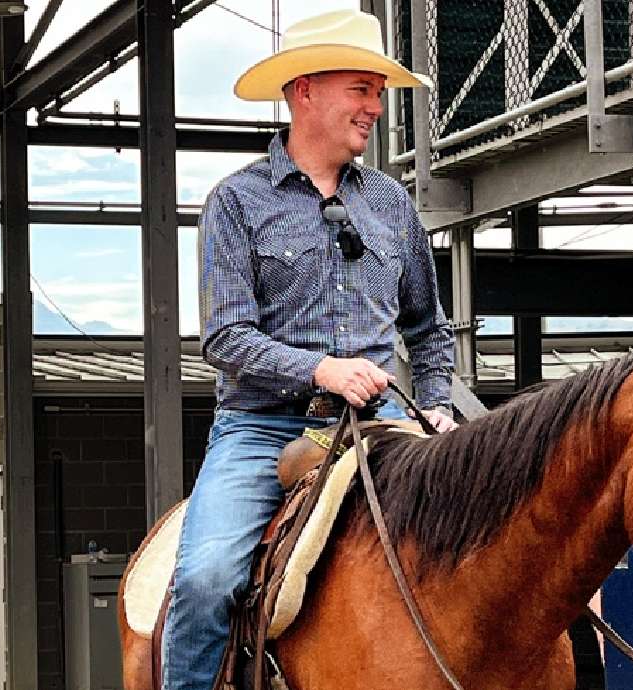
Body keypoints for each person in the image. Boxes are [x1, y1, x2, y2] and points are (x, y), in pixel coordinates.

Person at [164, 9, 457, 690]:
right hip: (263, 432)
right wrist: (321, 368)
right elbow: (226, 337)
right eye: (362, 89)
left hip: (385, 431)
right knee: (206, 578)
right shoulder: (236, 202)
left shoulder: (391, 203)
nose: (376, 108)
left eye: (379, 93)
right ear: (305, 91)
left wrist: (438, 406)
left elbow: (429, 327)